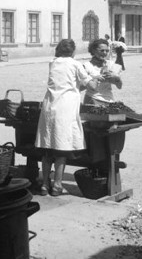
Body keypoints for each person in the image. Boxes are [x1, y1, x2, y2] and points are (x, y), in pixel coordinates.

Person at [35, 39, 97, 196]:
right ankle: (57, 185)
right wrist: (97, 77)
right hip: (65, 108)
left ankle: (44, 184)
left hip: (49, 106)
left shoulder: (53, 62)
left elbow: (67, 82)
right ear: (73, 51)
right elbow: (92, 86)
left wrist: (77, 85)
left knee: (48, 147)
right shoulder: (75, 64)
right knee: (61, 148)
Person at [83, 38, 122, 105]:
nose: (105, 53)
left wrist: (116, 77)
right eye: (102, 50)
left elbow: (119, 86)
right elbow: (81, 87)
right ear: (94, 51)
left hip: (109, 100)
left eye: (107, 51)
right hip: (92, 100)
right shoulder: (86, 66)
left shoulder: (111, 64)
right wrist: (94, 79)